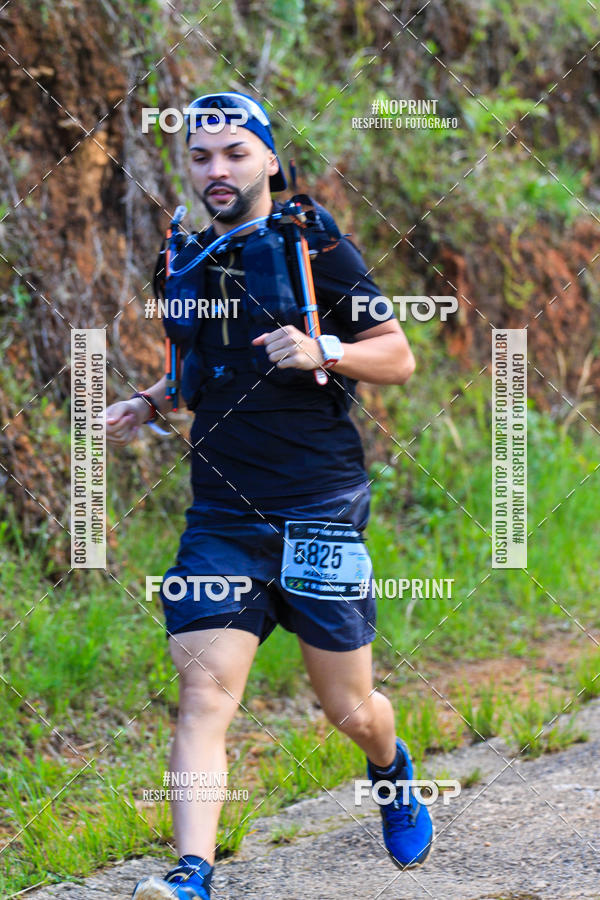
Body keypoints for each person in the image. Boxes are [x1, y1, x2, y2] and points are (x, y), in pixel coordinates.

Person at [106, 92, 432, 900]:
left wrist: (323, 345)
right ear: (186, 166)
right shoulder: (180, 257)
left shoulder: (316, 247)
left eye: (235, 153)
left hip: (319, 506)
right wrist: (149, 402)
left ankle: (390, 770)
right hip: (220, 510)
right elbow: (196, 371)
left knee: (349, 708)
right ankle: (191, 876)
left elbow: (397, 357)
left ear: (268, 161)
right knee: (204, 694)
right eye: (201, 156)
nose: (218, 170)